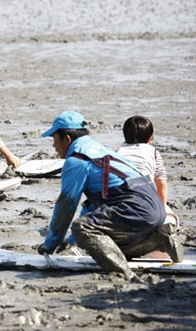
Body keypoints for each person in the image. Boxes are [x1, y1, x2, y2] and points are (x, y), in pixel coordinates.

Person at [38, 110, 183, 281]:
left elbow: (67, 204)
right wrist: (70, 242)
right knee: (108, 244)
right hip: (156, 209)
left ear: (67, 138)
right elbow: (92, 205)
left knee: (82, 227)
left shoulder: (77, 160)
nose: (53, 145)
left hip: (135, 207)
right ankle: (159, 235)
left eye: (54, 139)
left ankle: (126, 275)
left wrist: (51, 243)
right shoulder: (102, 150)